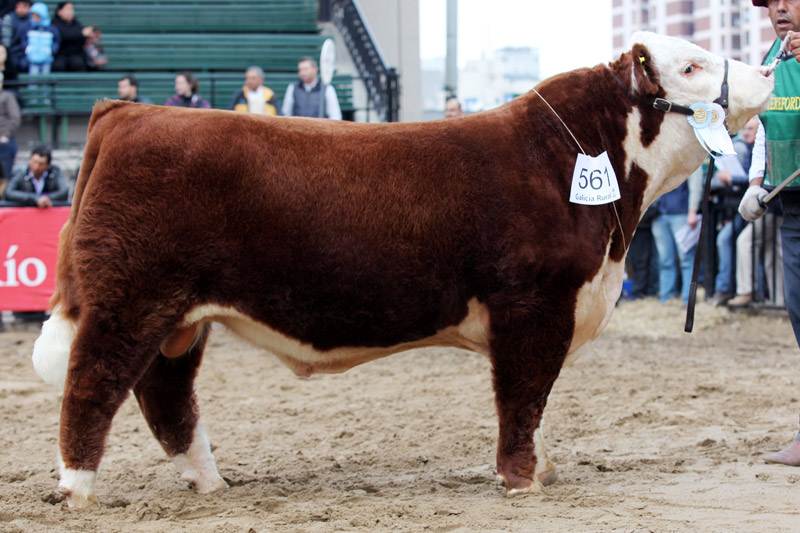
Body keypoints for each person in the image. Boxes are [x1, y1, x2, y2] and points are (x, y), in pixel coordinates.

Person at [743, 0, 800, 466]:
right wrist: (756, 183)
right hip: (792, 206)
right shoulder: (771, 60)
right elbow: (765, 127)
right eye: (771, 1)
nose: (779, 8)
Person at [709, 117, 759, 306]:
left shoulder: (752, 150)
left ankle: (725, 290)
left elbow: (752, 179)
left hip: (749, 209)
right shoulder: (744, 149)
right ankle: (728, 289)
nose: (746, 133)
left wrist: (733, 179)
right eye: (744, 129)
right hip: (736, 209)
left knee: (730, 241)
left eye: (750, 129)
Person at [652, 166, 703, 305]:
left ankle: (688, 298)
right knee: (665, 260)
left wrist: (692, 210)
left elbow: (696, 183)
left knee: (686, 258)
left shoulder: (689, 156)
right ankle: (666, 296)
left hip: (682, 214)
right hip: (660, 214)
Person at [628, 202, 660, 299]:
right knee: (639, 261)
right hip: (634, 225)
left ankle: (641, 291)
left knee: (643, 260)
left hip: (643, 224)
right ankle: (639, 291)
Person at [23, 1, 59, 76]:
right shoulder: (29, 28)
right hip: (32, 59)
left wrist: (51, 51)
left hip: (46, 59)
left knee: (45, 78)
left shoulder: (51, 29)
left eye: (37, 15)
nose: (34, 18)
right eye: (33, 16)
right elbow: (23, 39)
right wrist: (28, 49)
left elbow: (57, 41)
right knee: (33, 78)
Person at [52, 2, 90, 72]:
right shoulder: (54, 24)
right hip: (60, 55)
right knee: (58, 65)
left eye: (72, 9)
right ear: (59, 12)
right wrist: (81, 34)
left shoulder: (76, 24)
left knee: (78, 63)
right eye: (68, 9)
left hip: (75, 54)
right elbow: (62, 36)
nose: (71, 12)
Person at [0, 71, 20, 179]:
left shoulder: (7, 97)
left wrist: (5, 136)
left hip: (3, 139)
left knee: (4, 175)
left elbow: (15, 118)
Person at [3, 0, 30, 72]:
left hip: (27, 51)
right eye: (19, 6)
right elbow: (7, 42)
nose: (21, 9)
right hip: (12, 52)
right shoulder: (9, 18)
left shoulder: (32, 19)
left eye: (24, 6)